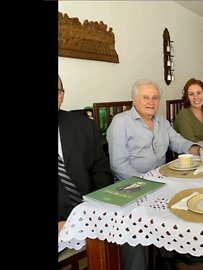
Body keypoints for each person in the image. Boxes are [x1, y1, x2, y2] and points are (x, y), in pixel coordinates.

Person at [106, 79, 202, 270]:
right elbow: (118, 165)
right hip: (130, 185)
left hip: (158, 180)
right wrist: (148, 183)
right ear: (134, 100)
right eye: (146, 97)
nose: (151, 102)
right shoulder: (121, 122)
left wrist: (197, 149)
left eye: (155, 98)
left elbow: (178, 141)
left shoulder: (161, 121)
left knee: (190, 193)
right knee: (134, 221)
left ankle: (169, 253)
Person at [58, 75, 114, 264]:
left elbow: (101, 169)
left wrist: (97, 205)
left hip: (88, 213)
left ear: (62, 96)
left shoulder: (83, 125)